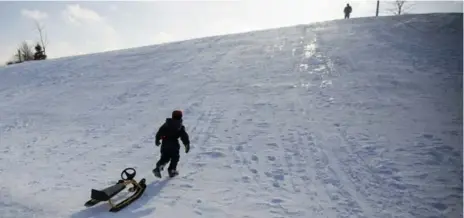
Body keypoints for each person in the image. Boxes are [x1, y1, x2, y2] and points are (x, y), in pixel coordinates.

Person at [152, 110, 190, 178]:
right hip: (174, 144)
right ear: (181, 117)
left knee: (165, 157)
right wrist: (187, 144)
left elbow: (160, 131)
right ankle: (172, 170)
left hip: (165, 143)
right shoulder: (180, 126)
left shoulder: (166, 124)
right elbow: (184, 136)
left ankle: (158, 167)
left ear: (172, 116)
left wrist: (157, 139)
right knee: (175, 157)